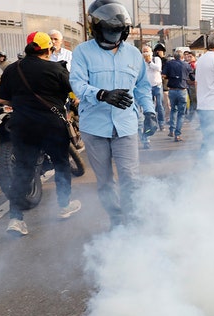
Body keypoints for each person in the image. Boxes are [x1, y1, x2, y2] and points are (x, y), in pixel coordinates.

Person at [70, 0, 157, 228]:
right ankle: (116, 220)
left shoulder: (134, 55)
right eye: (109, 30)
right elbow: (77, 83)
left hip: (126, 126)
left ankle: (133, 221)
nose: (114, 35)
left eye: (118, 31)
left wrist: (149, 112)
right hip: (94, 128)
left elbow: (142, 87)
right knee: (105, 182)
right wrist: (101, 94)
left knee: (130, 178)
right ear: (96, 29)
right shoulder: (82, 52)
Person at [0, 31, 81, 236]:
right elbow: (74, 95)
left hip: (23, 127)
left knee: (23, 171)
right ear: (48, 49)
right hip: (52, 126)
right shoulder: (57, 69)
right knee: (61, 164)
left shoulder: (11, 69)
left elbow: (3, 101)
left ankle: (16, 219)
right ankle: (63, 206)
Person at [162, 50, 192, 142]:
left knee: (173, 110)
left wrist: (169, 77)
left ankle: (171, 130)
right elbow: (191, 76)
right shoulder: (186, 65)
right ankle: (177, 134)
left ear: (174, 56)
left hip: (172, 90)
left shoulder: (169, 64)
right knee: (181, 113)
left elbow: (163, 75)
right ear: (182, 56)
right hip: (182, 90)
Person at [142, 45, 165, 131]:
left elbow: (159, 68)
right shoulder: (141, 61)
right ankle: (151, 123)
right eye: (144, 51)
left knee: (159, 105)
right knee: (149, 106)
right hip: (147, 86)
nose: (145, 53)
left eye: (147, 51)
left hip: (157, 85)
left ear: (151, 52)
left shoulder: (156, 59)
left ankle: (161, 123)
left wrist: (149, 62)